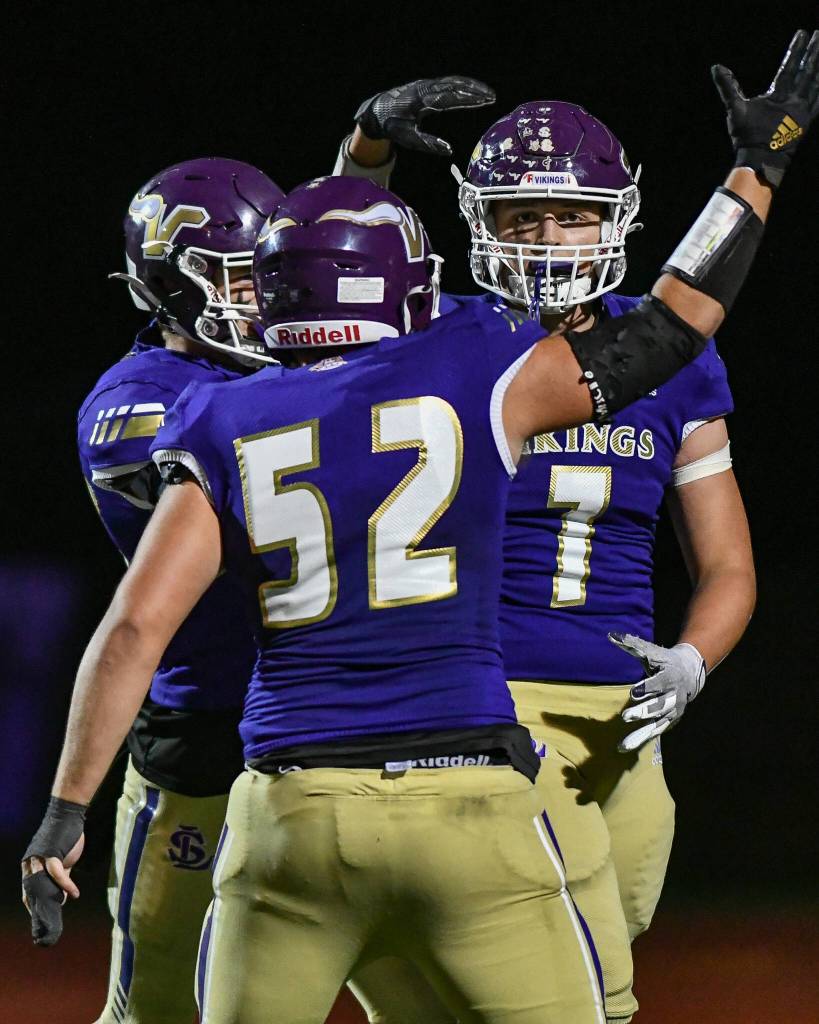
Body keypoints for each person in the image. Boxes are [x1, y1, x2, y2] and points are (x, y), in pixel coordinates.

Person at [23, 33, 817, 1024]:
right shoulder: (471, 359)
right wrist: (758, 172)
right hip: (461, 769)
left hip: (290, 792)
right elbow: (676, 318)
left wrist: (61, 810)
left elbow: (134, 625)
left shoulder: (223, 413)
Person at [332, 38, 813, 1019]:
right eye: (522, 215)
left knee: (546, 972)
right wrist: (367, 150)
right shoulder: (441, 336)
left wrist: (692, 661)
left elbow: (727, 565)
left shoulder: (672, 355)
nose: (549, 236)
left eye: (571, 214)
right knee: (583, 998)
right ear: (479, 220)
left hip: (626, 724)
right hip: (483, 709)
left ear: (616, 220)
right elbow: (335, 260)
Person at [75, 156, 284, 1023]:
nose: (257, 297)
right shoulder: (138, 403)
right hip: (206, 733)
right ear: (165, 286)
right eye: (233, 276)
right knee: (159, 1006)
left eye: (267, 273)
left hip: (332, 724)